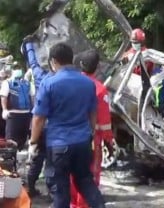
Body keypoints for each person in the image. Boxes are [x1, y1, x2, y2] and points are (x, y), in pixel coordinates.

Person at [28, 42, 105, 208]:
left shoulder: (49, 83)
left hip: (59, 145)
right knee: (86, 181)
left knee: (59, 190)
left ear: (54, 61)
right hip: (83, 143)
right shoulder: (88, 83)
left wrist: (33, 142)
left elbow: (39, 118)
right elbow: (93, 112)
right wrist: (89, 133)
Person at [70, 49, 114, 208]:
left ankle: (73, 204)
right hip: (91, 139)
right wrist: (109, 142)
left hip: (69, 137)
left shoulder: (70, 84)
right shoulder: (100, 89)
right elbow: (104, 122)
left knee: (72, 174)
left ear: (80, 64)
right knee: (89, 175)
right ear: (97, 67)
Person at [22, 37, 53, 197]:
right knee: (51, 159)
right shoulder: (57, 80)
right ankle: (51, 190)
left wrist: (28, 45)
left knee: (37, 156)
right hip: (52, 126)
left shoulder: (39, 75)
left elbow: (33, 62)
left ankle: (31, 186)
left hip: (38, 125)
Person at [0, 68, 35, 150]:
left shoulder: (27, 83)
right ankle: (10, 159)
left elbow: (32, 97)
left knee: (23, 140)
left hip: (26, 114)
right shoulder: (8, 83)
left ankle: (20, 157)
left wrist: (33, 110)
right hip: (13, 115)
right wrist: (4, 109)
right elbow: (3, 97)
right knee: (11, 141)